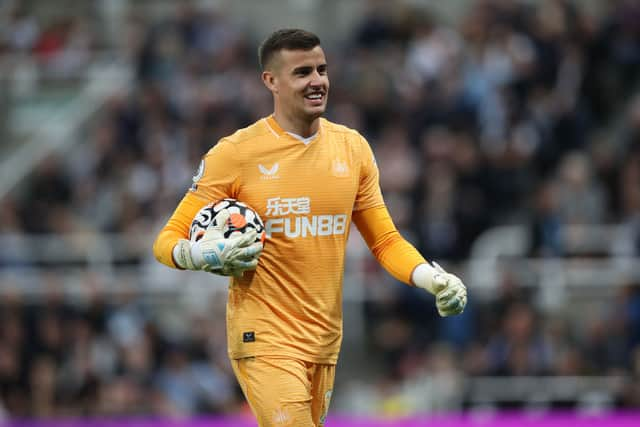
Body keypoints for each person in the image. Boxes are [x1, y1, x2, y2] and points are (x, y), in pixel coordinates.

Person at [153, 28, 467, 427]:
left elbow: (385, 240)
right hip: (264, 337)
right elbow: (166, 241)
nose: (317, 81)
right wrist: (201, 254)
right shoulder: (235, 153)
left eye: (322, 69)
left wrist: (431, 279)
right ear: (271, 81)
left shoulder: (352, 150)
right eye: (302, 72)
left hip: (323, 341)